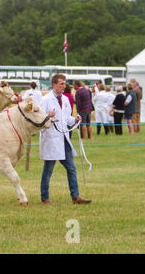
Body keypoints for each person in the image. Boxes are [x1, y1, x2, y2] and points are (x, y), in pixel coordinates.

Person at [39, 74, 92, 205]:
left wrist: (75, 120)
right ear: (54, 84)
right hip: (51, 139)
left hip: (63, 139)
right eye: (61, 83)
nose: (64, 86)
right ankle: (45, 197)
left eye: (64, 83)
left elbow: (66, 118)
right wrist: (47, 116)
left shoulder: (66, 100)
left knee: (72, 168)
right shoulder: (46, 99)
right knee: (48, 170)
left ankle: (76, 196)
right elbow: (38, 119)